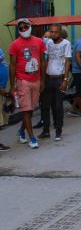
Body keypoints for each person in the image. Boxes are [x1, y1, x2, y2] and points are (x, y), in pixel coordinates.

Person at [9, 18, 46, 149]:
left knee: (30, 110)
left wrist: (42, 80)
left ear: (30, 26)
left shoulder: (39, 42)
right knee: (26, 110)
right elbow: (12, 65)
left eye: (26, 27)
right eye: (21, 28)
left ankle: (21, 131)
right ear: (18, 30)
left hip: (36, 80)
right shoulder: (15, 44)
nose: (24, 29)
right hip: (22, 80)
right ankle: (32, 138)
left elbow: (42, 61)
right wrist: (13, 83)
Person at [37, 24, 71, 141]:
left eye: (55, 32)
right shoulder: (48, 43)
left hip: (59, 78)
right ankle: (46, 131)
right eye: (51, 32)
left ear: (60, 32)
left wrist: (65, 80)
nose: (53, 34)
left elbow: (67, 62)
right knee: (45, 106)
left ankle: (58, 131)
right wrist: (42, 79)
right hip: (48, 78)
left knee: (58, 106)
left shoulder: (66, 43)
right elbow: (45, 59)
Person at [33, 30, 52, 129]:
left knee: (48, 100)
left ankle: (48, 121)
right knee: (42, 101)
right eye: (45, 36)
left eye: (49, 37)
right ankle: (43, 120)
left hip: (49, 77)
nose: (47, 39)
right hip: (39, 77)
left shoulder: (51, 50)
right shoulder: (39, 49)